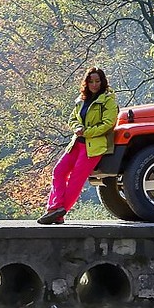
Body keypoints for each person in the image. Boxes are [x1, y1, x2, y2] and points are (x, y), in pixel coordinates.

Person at [37, 67, 119, 225]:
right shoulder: (82, 99)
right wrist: (77, 128)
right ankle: (55, 209)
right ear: (86, 83)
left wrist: (87, 132)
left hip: (94, 147)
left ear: (102, 82)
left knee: (76, 180)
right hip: (77, 143)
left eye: (97, 81)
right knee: (59, 171)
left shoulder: (108, 100)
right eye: (91, 81)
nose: (94, 84)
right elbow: (72, 118)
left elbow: (109, 124)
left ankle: (57, 211)